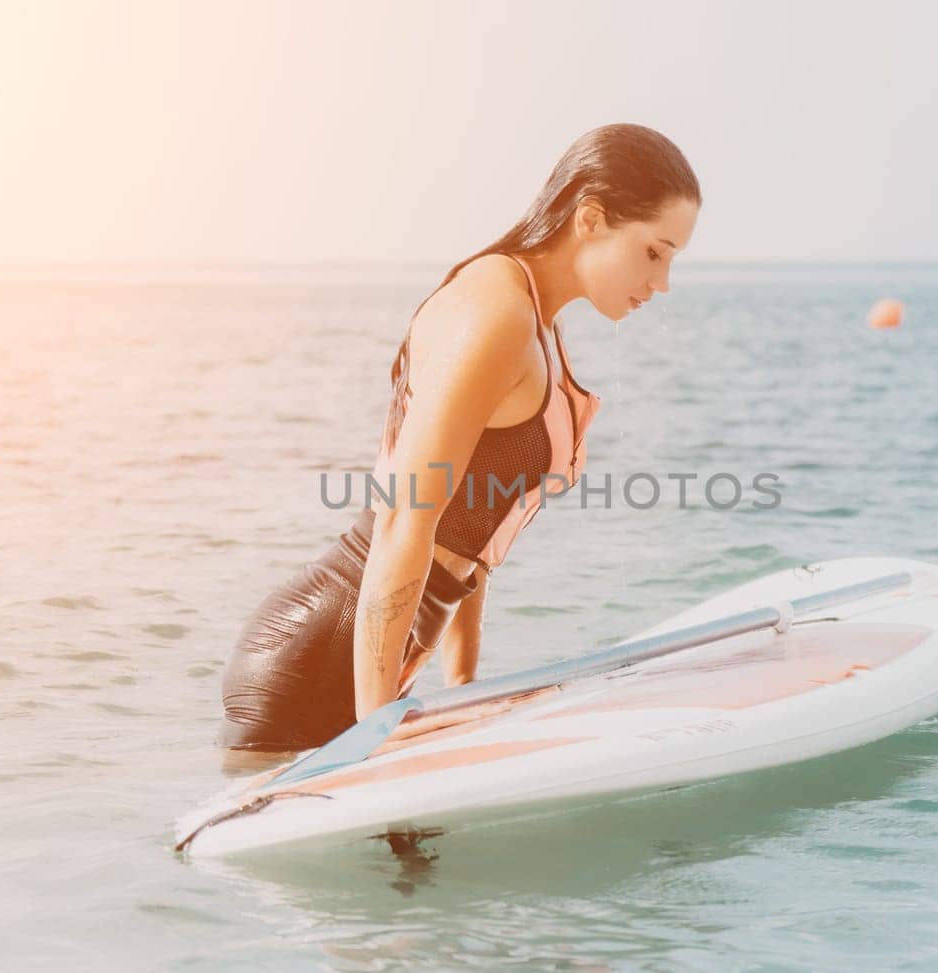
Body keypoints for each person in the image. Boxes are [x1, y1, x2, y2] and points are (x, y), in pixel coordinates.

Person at [219, 123, 701, 756]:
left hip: (369, 667)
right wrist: (378, 737)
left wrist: (463, 686)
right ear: (590, 219)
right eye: (653, 252)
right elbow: (403, 521)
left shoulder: (535, 320)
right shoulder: (495, 312)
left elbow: (473, 524)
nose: (662, 282)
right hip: (316, 667)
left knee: (411, 855)